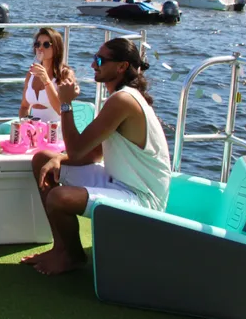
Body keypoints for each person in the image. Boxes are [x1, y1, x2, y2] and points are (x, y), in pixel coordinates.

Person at [23, 38, 171, 275]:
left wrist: (66, 104)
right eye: (94, 58)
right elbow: (94, 153)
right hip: (118, 181)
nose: (94, 65)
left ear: (121, 67)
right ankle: (60, 248)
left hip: (141, 197)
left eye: (100, 60)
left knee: (59, 197)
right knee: (43, 159)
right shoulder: (119, 97)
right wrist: (58, 159)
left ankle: (73, 257)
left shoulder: (123, 100)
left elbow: (77, 150)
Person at [19, 28, 76, 123]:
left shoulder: (65, 74)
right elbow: (24, 107)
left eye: (46, 44)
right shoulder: (31, 73)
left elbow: (61, 110)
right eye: (37, 44)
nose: (40, 48)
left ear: (56, 48)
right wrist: (25, 124)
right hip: (34, 131)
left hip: (55, 130)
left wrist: (46, 81)